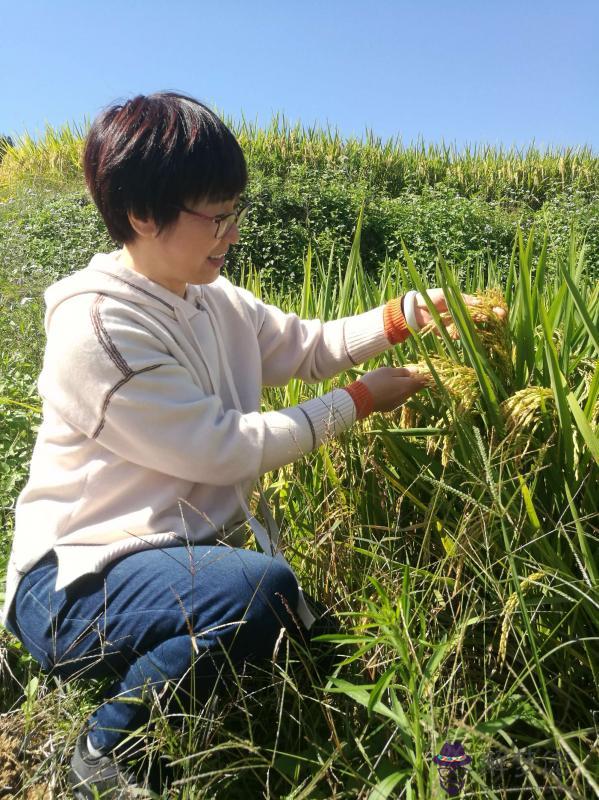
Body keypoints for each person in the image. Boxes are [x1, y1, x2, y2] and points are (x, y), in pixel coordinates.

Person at [0, 91, 496, 798]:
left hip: (169, 561)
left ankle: (442, 757)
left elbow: (308, 347)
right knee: (253, 592)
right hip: (74, 582)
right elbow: (224, 448)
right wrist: (360, 401)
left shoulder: (211, 297)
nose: (232, 233)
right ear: (143, 214)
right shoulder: (100, 329)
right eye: (217, 216)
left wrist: (404, 315)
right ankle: (107, 750)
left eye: (237, 210)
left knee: (320, 644)